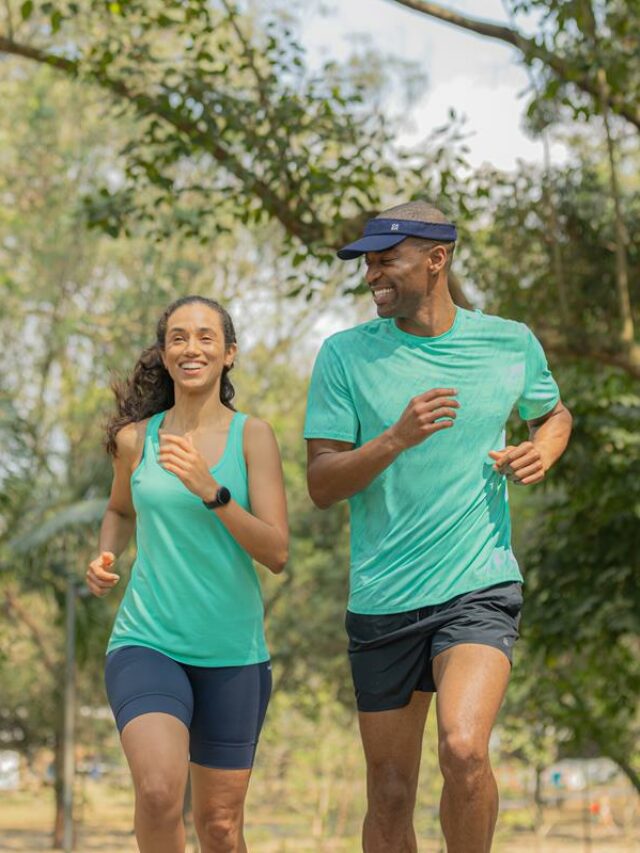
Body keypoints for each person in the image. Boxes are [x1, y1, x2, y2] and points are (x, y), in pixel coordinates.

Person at [304, 201, 572, 853]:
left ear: (436, 258)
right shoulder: (344, 356)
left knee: (464, 747)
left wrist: (545, 447)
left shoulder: (509, 343)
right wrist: (394, 438)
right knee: (391, 792)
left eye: (385, 260)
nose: (372, 276)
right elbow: (321, 482)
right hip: (383, 598)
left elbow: (553, 412)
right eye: (367, 264)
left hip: (478, 584)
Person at [87, 295, 288, 853]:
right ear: (164, 352)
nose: (190, 347)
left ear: (229, 354)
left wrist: (211, 491)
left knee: (220, 829)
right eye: (178, 336)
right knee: (156, 791)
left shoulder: (255, 437)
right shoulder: (136, 441)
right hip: (147, 641)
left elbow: (276, 552)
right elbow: (120, 510)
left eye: (205, 336)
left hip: (233, 654)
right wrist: (107, 556)